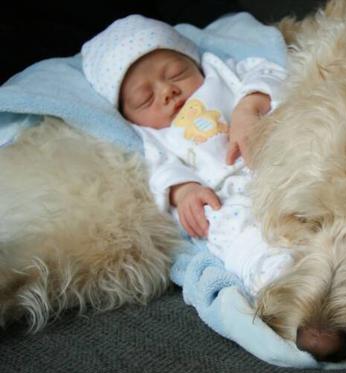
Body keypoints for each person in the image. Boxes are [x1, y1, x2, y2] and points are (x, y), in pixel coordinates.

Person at [81, 14, 291, 295]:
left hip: (276, 162)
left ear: (194, 62)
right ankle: (272, 277)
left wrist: (249, 107)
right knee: (227, 228)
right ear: (128, 116)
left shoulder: (221, 73)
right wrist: (185, 191)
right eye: (145, 98)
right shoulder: (151, 136)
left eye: (176, 73)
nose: (167, 90)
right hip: (223, 196)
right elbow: (160, 171)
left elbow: (269, 72)